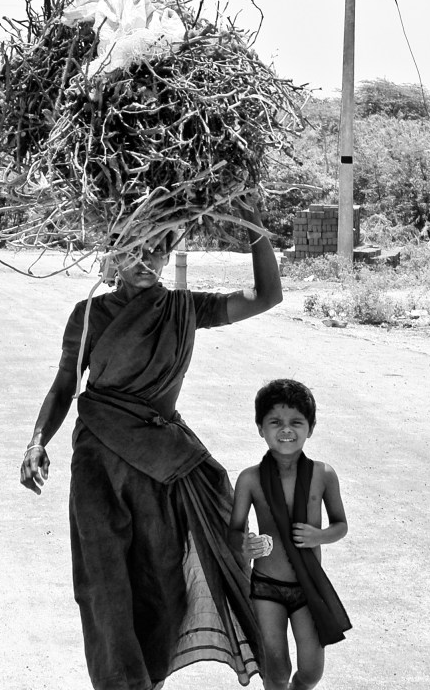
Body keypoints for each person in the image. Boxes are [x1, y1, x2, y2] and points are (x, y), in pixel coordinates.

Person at [20, 202, 282, 690]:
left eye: (157, 250)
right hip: (99, 461)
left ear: (169, 255)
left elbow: (268, 295)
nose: (146, 262)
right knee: (103, 584)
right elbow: (63, 386)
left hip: (159, 466)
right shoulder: (89, 315)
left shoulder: (185, 309)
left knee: (162, 582)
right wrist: (37, 440)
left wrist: (254, 224)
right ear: (115, 254)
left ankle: (152, 681)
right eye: (134, 251)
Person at [228, 379, 350, 690]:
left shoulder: (323, 475)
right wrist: (247, 545)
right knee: (276, 670)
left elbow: (340, 525)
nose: (286, 430)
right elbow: (234, 531)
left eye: (296, 422)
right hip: (266, 586)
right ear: (260, 428)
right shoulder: (250, 479)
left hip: (307, 587)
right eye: (275, 422)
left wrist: (317, 536)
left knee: (311, 672)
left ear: (311, 428)